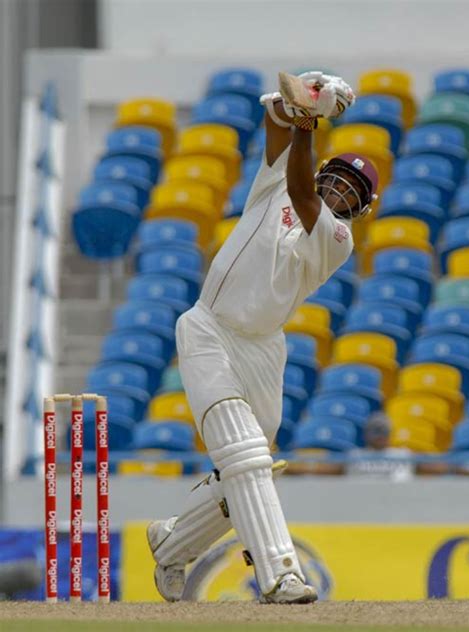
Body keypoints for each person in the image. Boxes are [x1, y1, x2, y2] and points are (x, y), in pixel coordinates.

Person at [146, 71, 379, 604]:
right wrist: (304, 101)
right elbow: (275, 120)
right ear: (325, 172)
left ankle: (170, 544)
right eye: (337, 179)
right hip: (209, 329)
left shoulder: (335, 238)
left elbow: (302, 187)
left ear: (358, 210)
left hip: (263, 350)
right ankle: (280, 575)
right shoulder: (273, 184)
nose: (340, 190)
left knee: (241, 471)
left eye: (352, 192)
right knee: (247, 458)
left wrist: (308, 122)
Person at [286, 411, 450, 479]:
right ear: (366, 435)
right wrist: (290, 469)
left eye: (383, 432)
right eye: (376, 432)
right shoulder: (354, 457)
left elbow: (442, 469)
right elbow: (320, 471)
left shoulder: (404, 455)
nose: (380, 437)